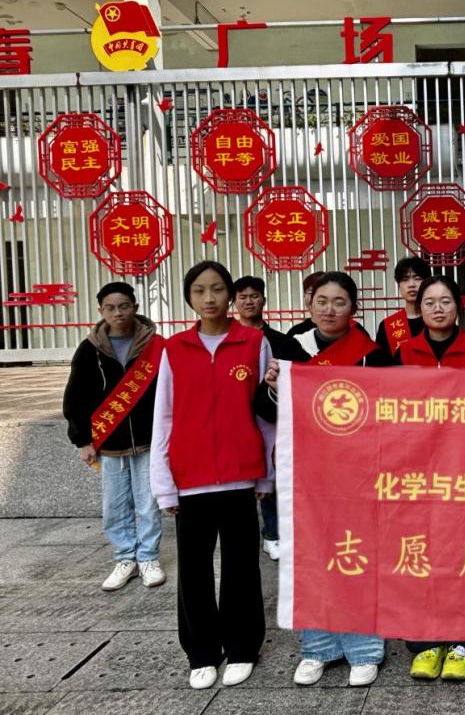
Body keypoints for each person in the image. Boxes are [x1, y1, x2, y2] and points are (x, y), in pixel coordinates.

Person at [150, 261, 275, 691]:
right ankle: (202, 651)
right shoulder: (174, 349)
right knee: (194, 570)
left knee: (242, 567)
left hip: (241, 476)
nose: (209, 298)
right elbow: (163, 417)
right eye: (200, 290)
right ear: (189, 297)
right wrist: (163, 484)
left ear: (230, 295)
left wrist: (265, 475)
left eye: (218, 289)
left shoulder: (253, 342)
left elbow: (265, 415)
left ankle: (242, 647)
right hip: (191, 477)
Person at [259, 271, 386, 688]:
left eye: (339, 302)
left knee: (357, 556)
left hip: (357, 472)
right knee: (310, 558)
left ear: (354, 308)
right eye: (322, 302)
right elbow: (264, 408)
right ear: (310, 306)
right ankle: (318, 647)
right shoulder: (290, 348)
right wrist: (274, 386)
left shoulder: (372, 354)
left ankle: (364, 649)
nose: (330, 310)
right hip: (307, 472)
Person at [396, 274, 465, 680]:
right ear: (419, 307)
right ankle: (425, 642)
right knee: (421, 554)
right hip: (417, 472)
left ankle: (463, 643)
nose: (438, 309)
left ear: (459, 306)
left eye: (446, 301)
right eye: (430, 302)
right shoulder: (402, 353)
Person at [62, 281, 165, 592]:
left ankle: (148, 558)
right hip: (109, 443)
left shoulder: (156, 346)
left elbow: (171, 393)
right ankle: (125, 558)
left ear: (135, 307)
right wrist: (82, 440)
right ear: (101, 311)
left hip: (148, 440)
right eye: (110, 308)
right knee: (115, 506)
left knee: (148, 503)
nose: (117, 312)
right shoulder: (89, 349)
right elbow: (75, 398)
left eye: (123, 306)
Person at [234, 276, 304, 563]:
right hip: (237, 419)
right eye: (242, 297)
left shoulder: (280, 341)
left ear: (264, 300)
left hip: (270, 419)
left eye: (254, 296)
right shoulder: (230, 340)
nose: (249, 301)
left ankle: (272, 534)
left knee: (272, 476)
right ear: (234, 302)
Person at [375, 256, 430, 360]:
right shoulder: (387, 325)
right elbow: (377, 365)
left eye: (417, 278)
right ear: (399, 286)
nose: (411, 284)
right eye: (405, 279)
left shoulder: (437, 320)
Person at [286, 271, 326, 337]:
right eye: (311, 293)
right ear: (304, 296)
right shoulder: (295, 333)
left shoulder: (342, 331)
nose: (315, 299)